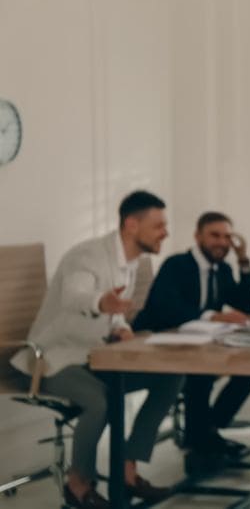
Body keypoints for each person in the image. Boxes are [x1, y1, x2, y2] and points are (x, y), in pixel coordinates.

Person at [11, 190, 183, 509]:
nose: (166, 232)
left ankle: (127, 469)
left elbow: (115, 312)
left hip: (95, 356)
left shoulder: (130, 263)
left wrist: (121, 328)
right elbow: (76, 294)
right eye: (159, 225)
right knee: (100, 401)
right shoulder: (87, 255)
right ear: (132, 225)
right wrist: (101, 302)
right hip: (53, 359)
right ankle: (78, 486)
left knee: (169, 376)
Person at [133, 211, 250, 457]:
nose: (222, 242)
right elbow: (165, 309)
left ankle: (206, 429)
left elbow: (247, 305)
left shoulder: (221, 269)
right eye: (215, 235)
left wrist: (243, 260)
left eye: (227, 237)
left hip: (198, 344)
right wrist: (213, 316)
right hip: (160, 343)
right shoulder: (176, 264)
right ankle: (202, 438)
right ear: (197, 236)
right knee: (201, 373)